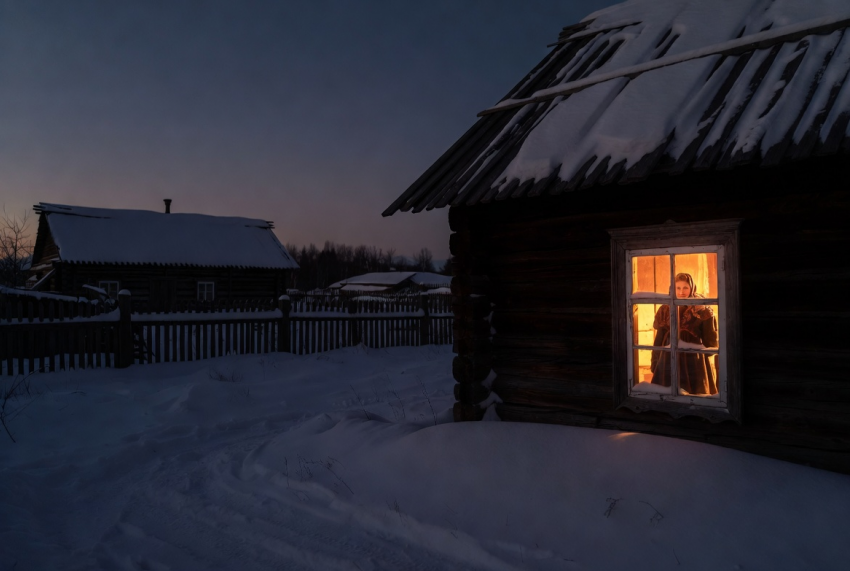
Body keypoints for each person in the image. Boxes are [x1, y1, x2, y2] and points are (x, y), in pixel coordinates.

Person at [650, 272, 719, 395]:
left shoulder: (701, 308)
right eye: (678, 288)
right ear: (673, 288)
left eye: (685, 287)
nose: (682, 291)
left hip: (693, 357)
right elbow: (659, 338)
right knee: (667, 391)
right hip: (668, 356)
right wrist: (655, 360)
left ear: (692, 288)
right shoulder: (665, 309)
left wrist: (705, 357)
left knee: (695, 392)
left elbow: (710, 339)